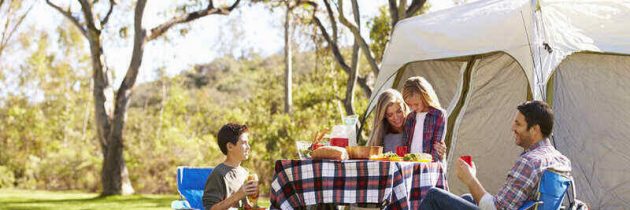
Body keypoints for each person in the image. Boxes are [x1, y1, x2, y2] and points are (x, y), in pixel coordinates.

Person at [419, 100, 572, 210]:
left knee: (434, 195)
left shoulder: (530, 162)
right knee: (467, 198)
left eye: (518, 124)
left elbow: (495, 209)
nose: (512, 127)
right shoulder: (561, 161)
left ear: (534, 129)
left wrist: (470, 179)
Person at [203, 123, 258, 210]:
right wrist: (237, 195)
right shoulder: (218, 174)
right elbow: (211, 208)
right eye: (244, 143)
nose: (248, 147)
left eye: (248, 143)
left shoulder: (245, 173)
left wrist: (253, 201)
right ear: (230, 146)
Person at [401, 76, 447, 161]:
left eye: (416, 104)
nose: (413, 108)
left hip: (430, 167)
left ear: (425, 97)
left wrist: (428, 167)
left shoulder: (438, 115)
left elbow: (437, 147)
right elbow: (405, 144)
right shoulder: (410, 117)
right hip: (410, 166)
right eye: (409, 105)